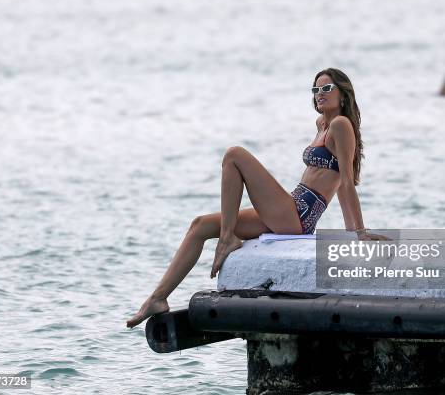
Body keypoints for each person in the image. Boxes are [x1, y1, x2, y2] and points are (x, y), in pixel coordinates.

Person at [126, 67, 387, 328]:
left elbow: (345, 182)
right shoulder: (322, 125)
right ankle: (158, 298)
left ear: (343, 95)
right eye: (316, 89)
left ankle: (228, 239)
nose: (320, 94)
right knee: (200, 225)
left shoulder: (341, 125)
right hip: (291, 207)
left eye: (327, 88)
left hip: (299, 214)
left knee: (234, 155)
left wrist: (359, 232)